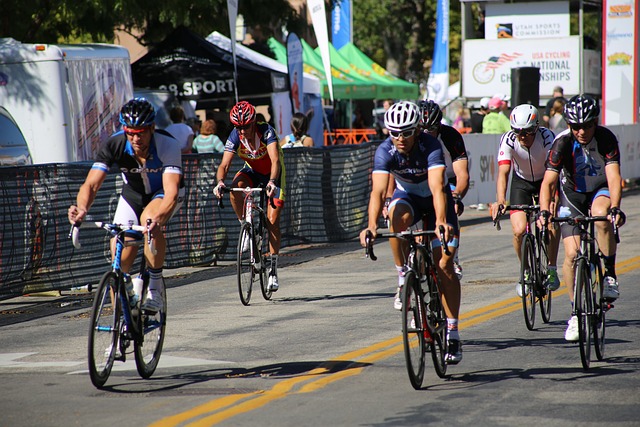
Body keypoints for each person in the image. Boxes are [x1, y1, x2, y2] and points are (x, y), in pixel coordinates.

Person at [359, 100, 463, 364]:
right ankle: (403, 275)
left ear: (417, 130)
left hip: (436, 201)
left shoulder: (431, 146)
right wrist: (370, 225)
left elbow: (439, 187)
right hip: (409, 199)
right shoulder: (385, 151)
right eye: (394, 133)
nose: (400, 138)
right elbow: (378, 191)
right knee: (396, 218)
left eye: (406, 132)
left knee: (445, 264)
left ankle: (452, 331)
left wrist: (441, 220)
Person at [67, 97, 184, 313]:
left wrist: (157, 221)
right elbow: (91, 185)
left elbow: (171, 193)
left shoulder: (167, 144)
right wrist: (82, 209)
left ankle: (155, 289)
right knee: (120, 257)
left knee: (148, 220)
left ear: (152, 128)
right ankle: (120, 327)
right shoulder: (115, 144)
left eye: (140, 133)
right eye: (130, 132)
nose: (135, 138)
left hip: (163, 193)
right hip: (133, 194)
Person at [538, 94, 626, 342]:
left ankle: (609, 273)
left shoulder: (606, 138)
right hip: (572, 194)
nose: (582, 131)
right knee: (572, 254)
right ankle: (576, 313)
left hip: (600, 189)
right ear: (568, 125)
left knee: (601, 216)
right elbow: (548, 182)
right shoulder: (561, 143)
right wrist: (545, 211)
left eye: (587, 125)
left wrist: (615, 207)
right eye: (575, 126)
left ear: (595, 122)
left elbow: (613, 177)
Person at [213, 100, 286, 291]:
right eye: (237, 127)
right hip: (252, 171)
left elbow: (275, 161)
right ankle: (245, 227)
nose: (241, 131)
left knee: (272, 221)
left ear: (253, 122)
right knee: (235, 188)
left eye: (245, 126)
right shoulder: (235, 136)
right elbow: (224, 165)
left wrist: (271, 182)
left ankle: (272, 270)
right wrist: (220, 182)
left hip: (273, 174)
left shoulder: (267, 131)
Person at [489, 104, 561, 297]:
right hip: (521, 183)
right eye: (518, 131)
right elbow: (503, 173)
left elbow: (553, 174)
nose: (523, 136)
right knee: (519, 230)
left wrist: (553, 200)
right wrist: (501, 200)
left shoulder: (547, 138)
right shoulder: (509, 140)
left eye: (528, 132)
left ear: (536, 127)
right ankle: (526, 272)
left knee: (551, 222)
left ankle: (552, 269)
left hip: (546, 180)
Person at [419, 100, 469, 280]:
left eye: (431, 129)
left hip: (448, 179)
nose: (426, 134)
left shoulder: (450, 136)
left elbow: (462, 175)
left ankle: (453, 257)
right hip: (422, 179)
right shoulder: (412, 138)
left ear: (439, 125)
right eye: (422, 129)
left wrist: (456, 196)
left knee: (452, 207)